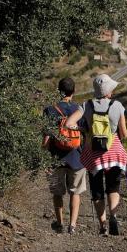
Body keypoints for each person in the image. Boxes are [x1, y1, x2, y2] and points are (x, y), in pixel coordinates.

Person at [66, 74, 127, 236]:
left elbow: (69, 124)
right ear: (108, 91)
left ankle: (103, 225)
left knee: (97, 190)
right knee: (113, 187)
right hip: (114, 152)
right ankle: (113, 216)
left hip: (93, 154)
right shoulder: (118, 105)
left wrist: (85, 131)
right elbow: (124, 133)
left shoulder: (86, 105)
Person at [42, 77, 87, 234]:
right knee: (75, 192)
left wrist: (45, 158)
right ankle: (72, 225)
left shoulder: (50, 110)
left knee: (57, 192)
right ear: (74, 91)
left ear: (58, 91)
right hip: (77, 158)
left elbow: (46, 137)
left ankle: (60, 223)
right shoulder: (80, 109)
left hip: (56, 158)